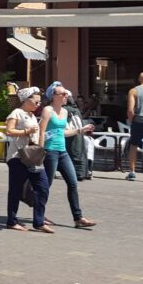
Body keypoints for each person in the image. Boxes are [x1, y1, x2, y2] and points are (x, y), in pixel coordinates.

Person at [39, 84, 96, 228]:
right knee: (46, 185)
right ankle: (39, 215)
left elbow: (63, 132)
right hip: (49, 151)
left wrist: (80, 130)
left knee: (73, 182)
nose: (66, 96)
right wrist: (39, 152)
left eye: (66, 94)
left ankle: (78, 218)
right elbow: (41, 132)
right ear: (53, 96)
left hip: (62, 151)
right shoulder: (48, 110)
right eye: (63, 94)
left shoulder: (64, 112)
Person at [4, 87, 51, 232]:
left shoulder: (31, 115)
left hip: (32, 157)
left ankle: (39, 221)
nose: (38, 105)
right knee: (15, 190)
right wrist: (26, 132)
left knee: (43, 187)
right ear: (26, 100)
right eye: (36, 102)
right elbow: (9, 131)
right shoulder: (17, 112)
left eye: (39, 102)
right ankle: (11, 221)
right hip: (18, 157)